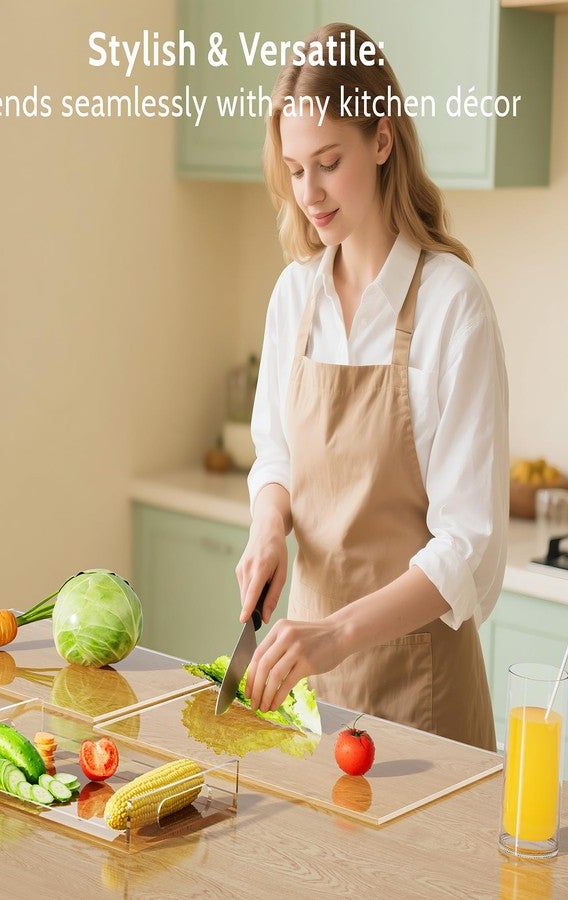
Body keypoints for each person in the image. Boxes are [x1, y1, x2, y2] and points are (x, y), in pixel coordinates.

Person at [235, 23, 509, 751]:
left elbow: (467, 548)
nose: (310, 194)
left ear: (382, 140)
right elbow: (276, 455)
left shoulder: (454, 304)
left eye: (328, 162)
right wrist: (269, 527)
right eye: (295, 170)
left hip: (423, 701)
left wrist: (335, 632)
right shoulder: (295, 297)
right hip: (309, 693)